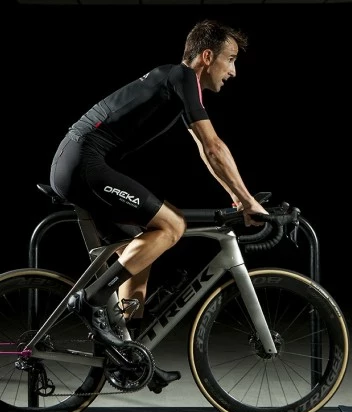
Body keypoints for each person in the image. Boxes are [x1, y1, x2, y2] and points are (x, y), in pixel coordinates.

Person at [49, 19, 268, 391]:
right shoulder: (182, 77)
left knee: (139, 250)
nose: (233, 71)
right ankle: (90, 300)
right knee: (172, 225)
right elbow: (214, 146)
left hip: (79, 162)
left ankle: (128, 354)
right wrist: (247, 201)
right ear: (207, 56)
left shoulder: (177, 84)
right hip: (82, 163)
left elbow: (205, 150)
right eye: (230, 59)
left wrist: (237, 196)